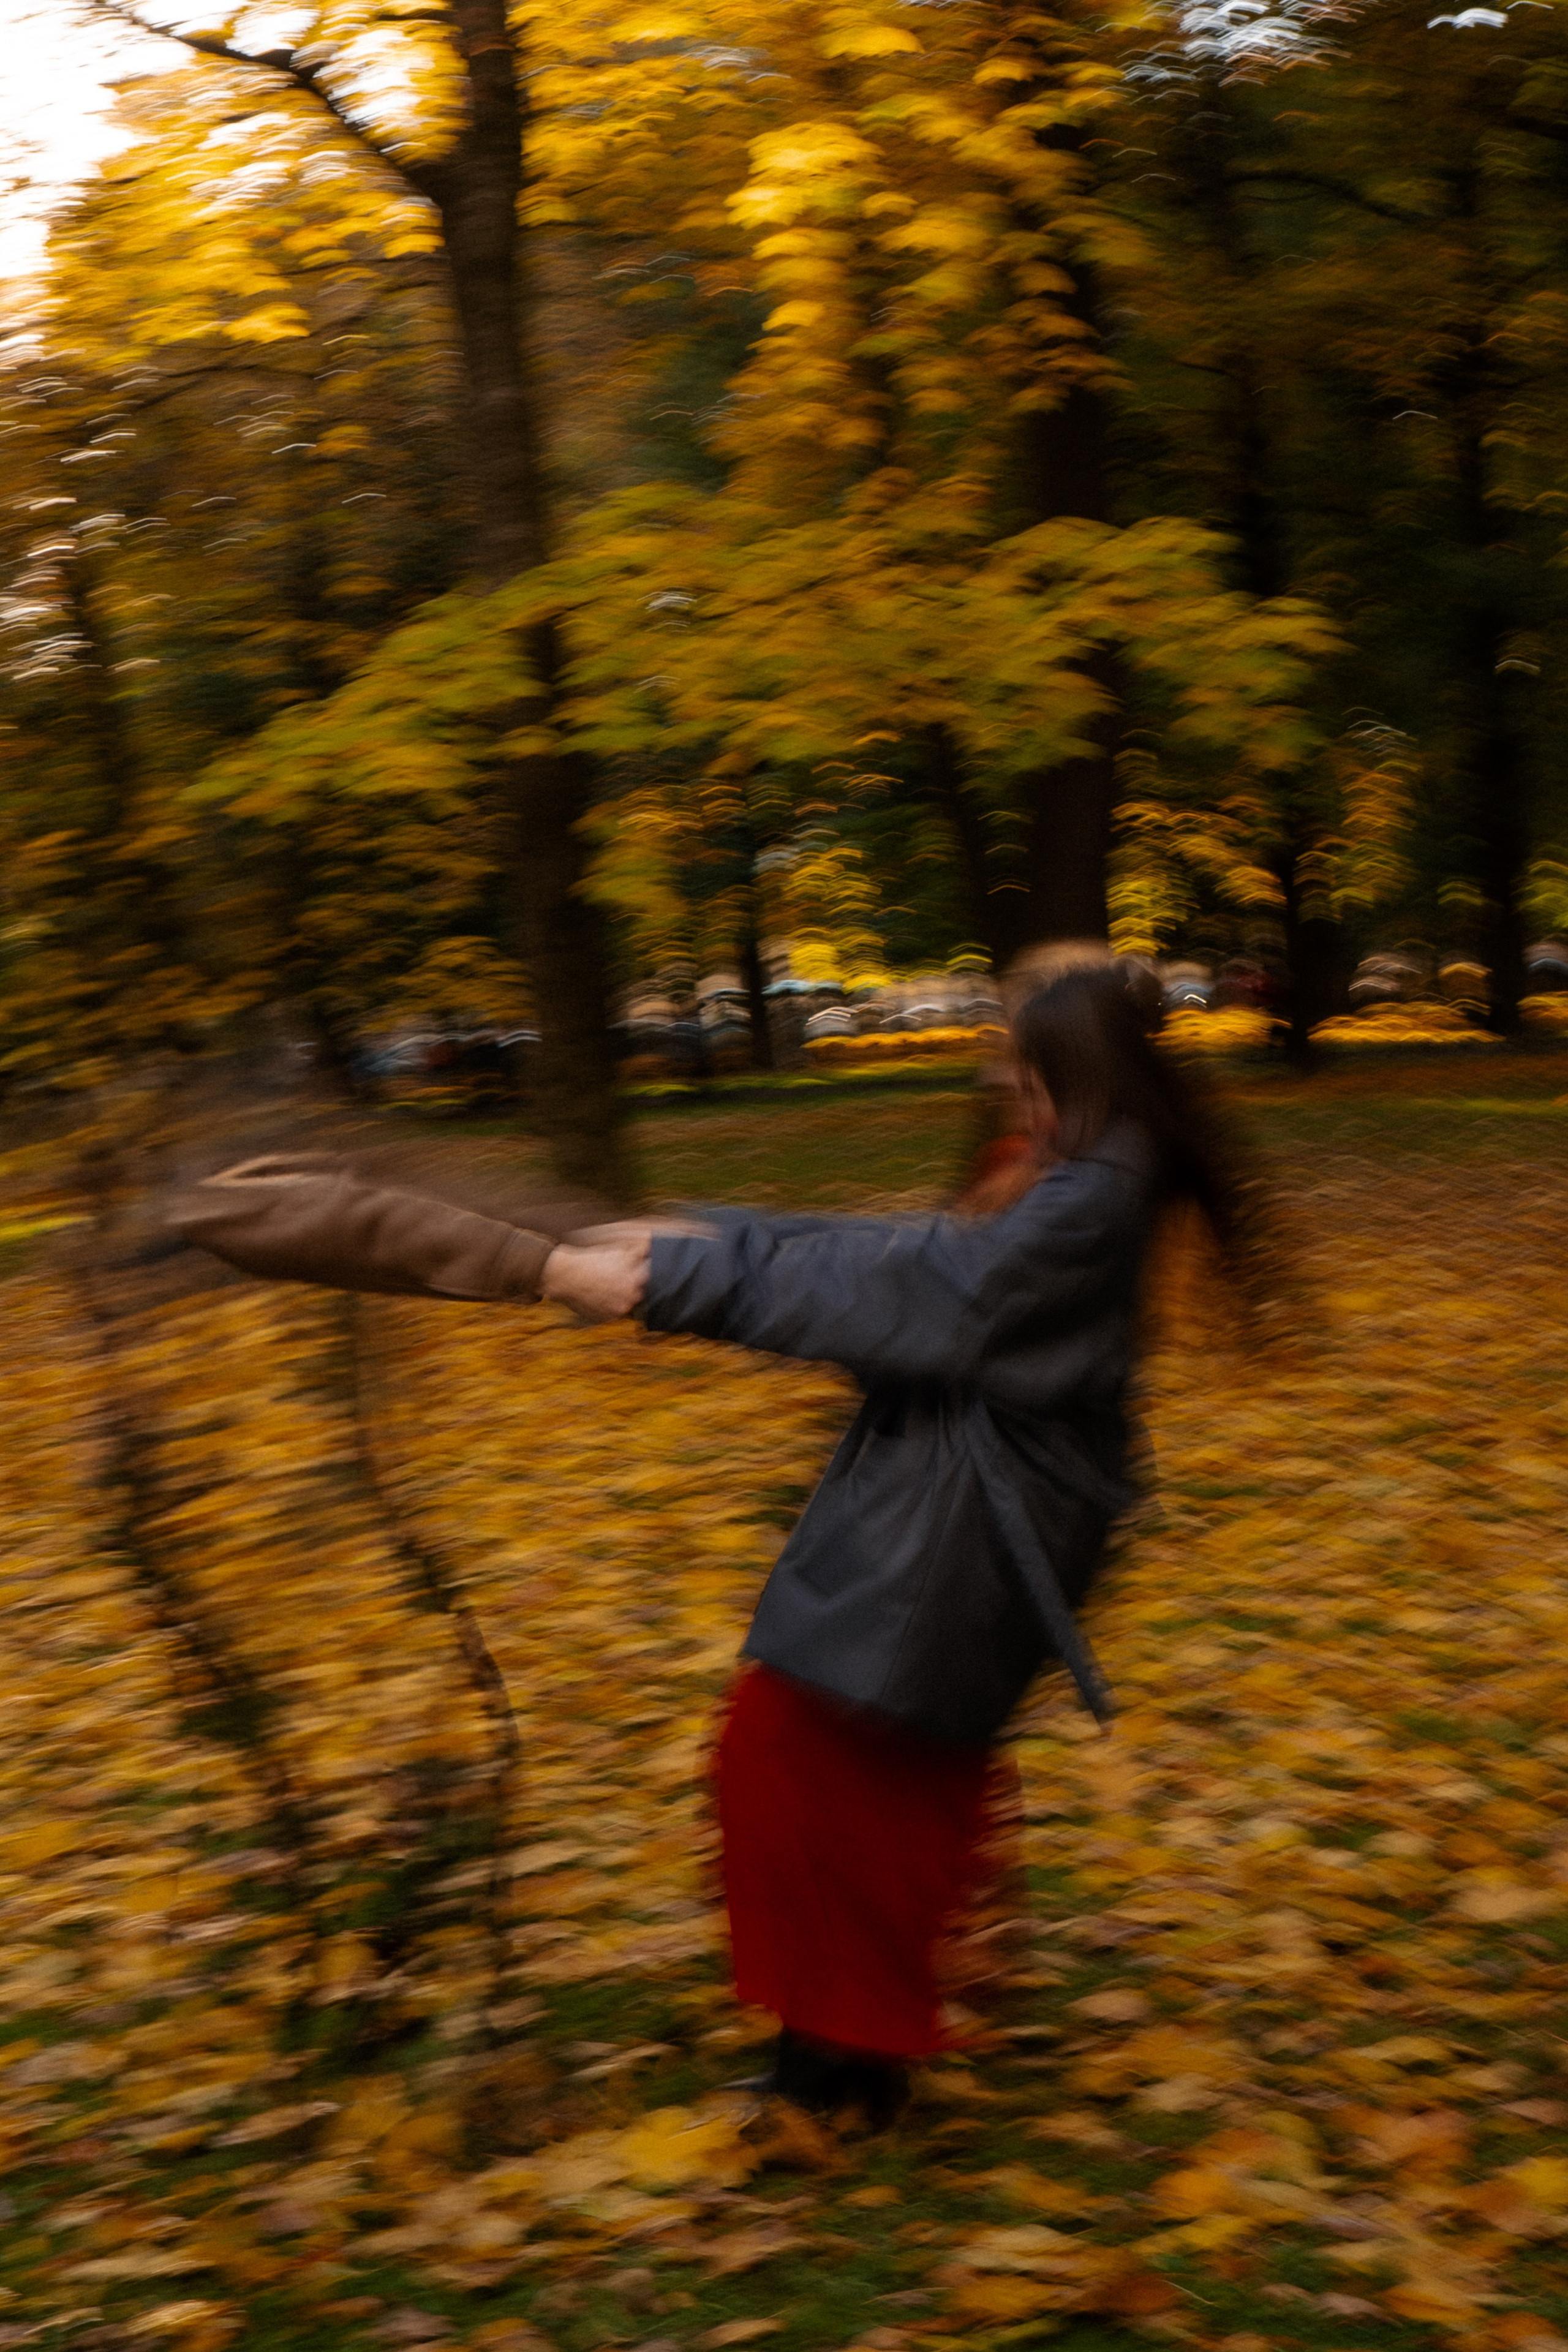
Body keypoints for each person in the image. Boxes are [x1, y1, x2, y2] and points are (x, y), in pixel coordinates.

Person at [175, 960, 1267, 2129]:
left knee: (804, 1766)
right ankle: (853, 2053)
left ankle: (841, 2073)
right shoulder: (1086, 1172)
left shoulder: (1089, 1194)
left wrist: (674, 1273)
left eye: (1022, 1061)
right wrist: (691, 1240)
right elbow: (892, 1259)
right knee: (859, 1776)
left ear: (1075, 1072)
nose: (1004, 1078)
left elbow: (935, 1289)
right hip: (963, 1514)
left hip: (970, 1528)